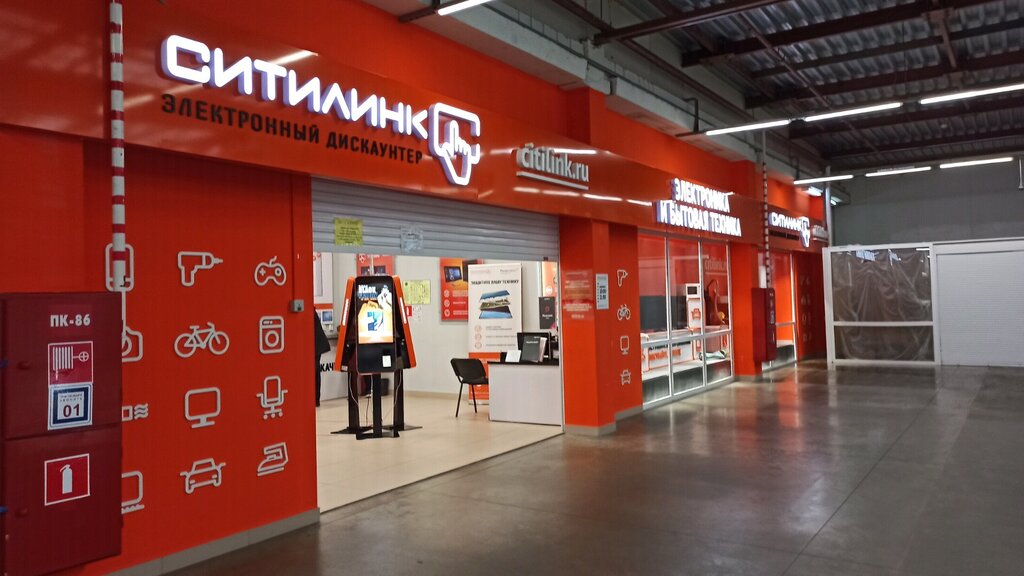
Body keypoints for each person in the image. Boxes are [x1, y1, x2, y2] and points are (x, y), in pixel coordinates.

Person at [314, 310, 332, 407]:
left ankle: (315, 399)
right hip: (316, 345)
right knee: (315, 372)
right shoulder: (311, 311)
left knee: (315, 372)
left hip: (316, 345)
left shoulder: (309, 312)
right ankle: (315, 399)